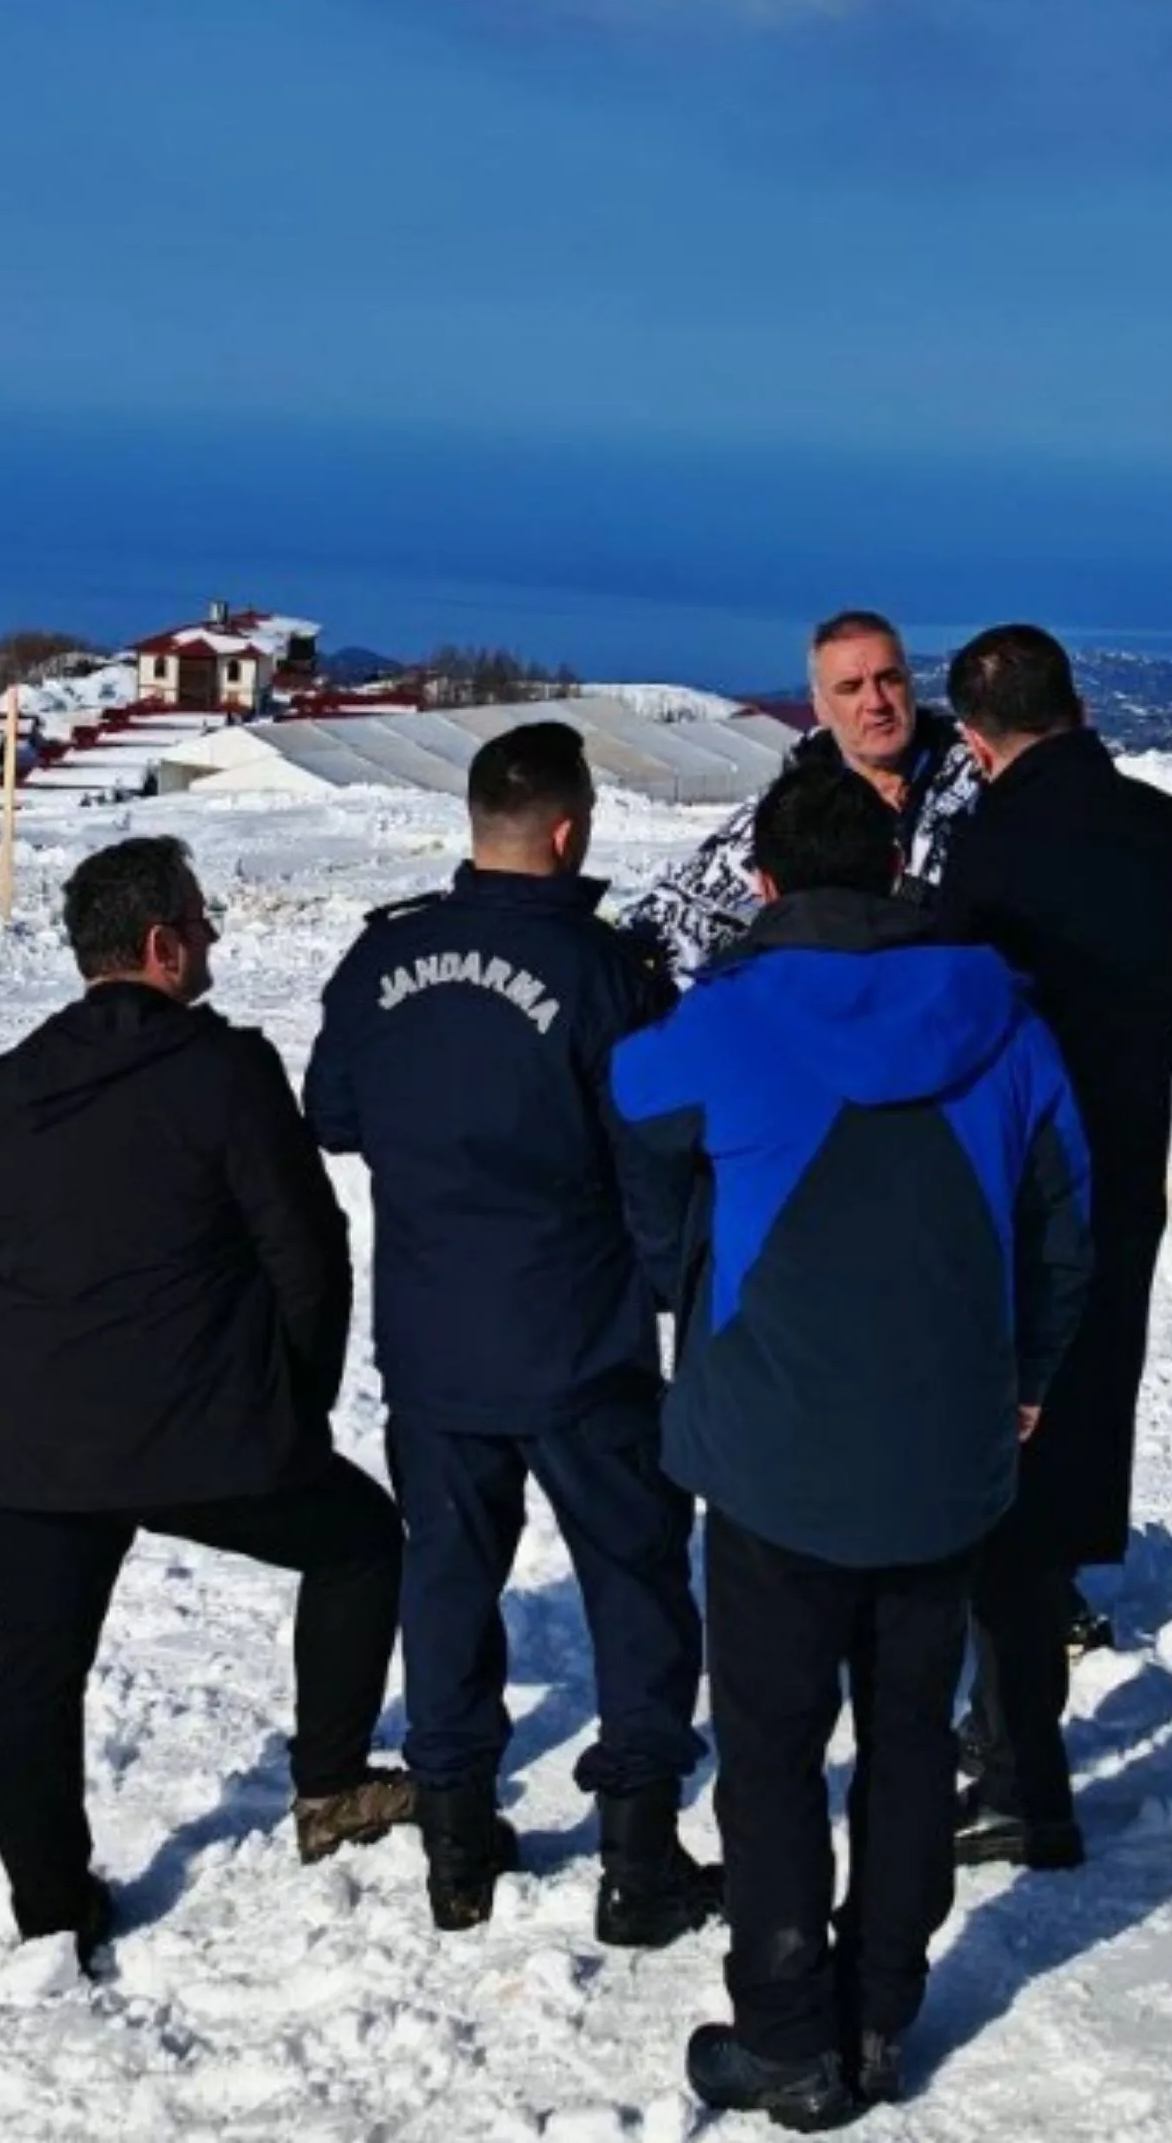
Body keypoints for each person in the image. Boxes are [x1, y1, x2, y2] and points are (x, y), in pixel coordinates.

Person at [612, 767, 1092, 2128]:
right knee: (903, 1733)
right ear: (896, 865)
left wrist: (682, 1274)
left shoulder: (729, 1020)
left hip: (769, 1442)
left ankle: (785, 2031)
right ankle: (883, 2010)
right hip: (946, 1446)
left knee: (769, 1747)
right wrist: (1032, 1380)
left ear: (761, 883)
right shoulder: (1006, 1017)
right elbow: (1066, 1227)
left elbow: (628, 1101)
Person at [0, 837, 409, 1965]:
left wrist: (15, 1385)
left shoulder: (2, 1087)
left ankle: (50, 1907)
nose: (211, 940)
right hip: (207, 1428)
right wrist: (295, 1403)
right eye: (201, 923)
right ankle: (331, 1785)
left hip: (41, 1433)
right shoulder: (226, 1069)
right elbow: (310, 1253)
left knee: (37, 1663)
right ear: (160, 947)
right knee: (359, 1543)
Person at [304, 722, 721, 1946]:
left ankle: (456, 1843)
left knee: (446, 1583)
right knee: (635, 1583)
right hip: (579, 1343)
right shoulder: (608, 974)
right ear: (571, 828)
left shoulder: (384, 961)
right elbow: (654, 1158)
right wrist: (671, 1297)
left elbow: (331, 1114)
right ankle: (637, 1853)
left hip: (434, 1345)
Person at [930, 624, 1172, 1871]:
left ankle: (1016, 1768)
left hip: (1014, 1191)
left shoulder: (985, 855)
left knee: (1002, 1469)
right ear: (1079, 706)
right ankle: (1019, 1722)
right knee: (1080, 1429)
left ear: (973, 735)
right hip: (1128, 1168)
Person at [623, 609, 984, 979]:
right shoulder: (789, 810)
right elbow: (677, 922)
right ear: (821, 708)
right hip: (819, 1011)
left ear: (910, 685)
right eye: (850, 687)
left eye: (889, 679)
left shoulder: (983, 787)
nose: (876, 702)